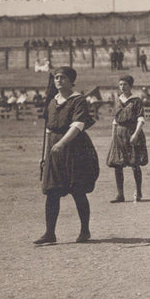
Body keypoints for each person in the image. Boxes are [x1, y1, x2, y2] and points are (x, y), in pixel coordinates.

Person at [35, 66, 100, 244]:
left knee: (78, 190)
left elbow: (78, 125)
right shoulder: (52, 101)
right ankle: (50, 233)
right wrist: (45, 154)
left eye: (62, 78)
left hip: (75, 147)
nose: (58, 81)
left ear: (71, 81)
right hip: (54, 149)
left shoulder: (78, 100)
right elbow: (48, 129)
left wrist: (62, 143)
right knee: (52, 191)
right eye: (56, 77)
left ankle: (85, 230)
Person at [106, 75, 148, 202]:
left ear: (130, 86)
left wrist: (135, 134)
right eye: (120, 85)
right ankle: (120, 194)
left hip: (132, 132)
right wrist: (113, 136)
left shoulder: (136, 101)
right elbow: (115, 120)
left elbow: (141, 119)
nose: (122, 87)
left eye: (125, 84)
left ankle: (139, 192)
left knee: (135, 164)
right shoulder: (118, 100)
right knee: (117, 164)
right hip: (119, 133)